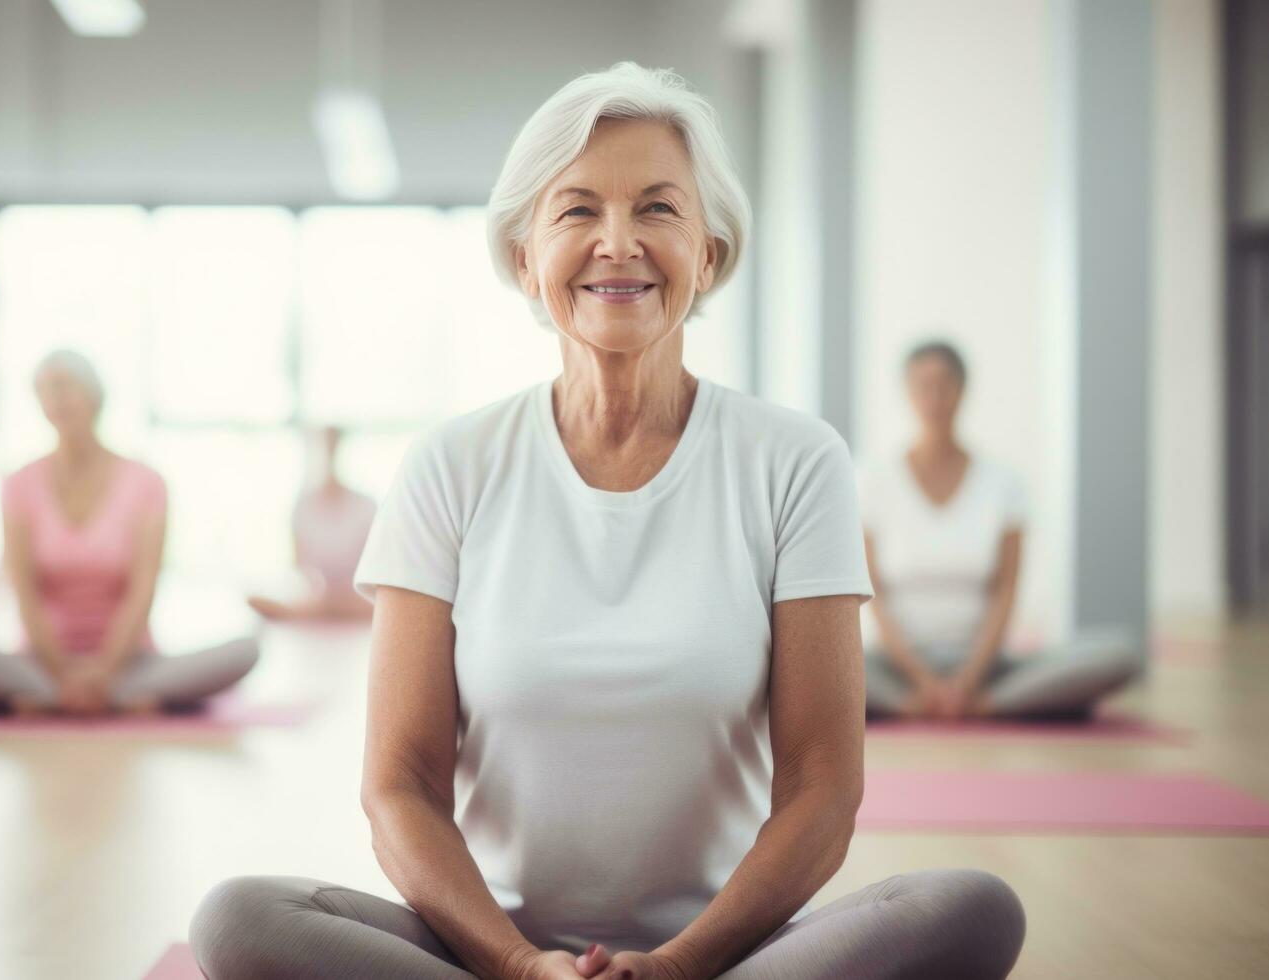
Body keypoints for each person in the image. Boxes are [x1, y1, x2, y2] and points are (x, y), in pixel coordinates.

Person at [191, 64, 1025, 980]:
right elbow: (400, 786)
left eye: (658, 210)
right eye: (577, 210)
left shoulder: (795, 461)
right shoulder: (449, 464)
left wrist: (676, 966)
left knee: (966, 907)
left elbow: (822, 789)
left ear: (707, 253)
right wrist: (515, 963)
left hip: (725, 954)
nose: (617, 243)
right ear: (524, 258)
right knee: (240, 919)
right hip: (483, 947)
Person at [0, 350, 258, 716]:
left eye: (64, 387)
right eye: (44, 391)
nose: (55, 400)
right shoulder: (20, 484)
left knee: (245, 650)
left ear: (95, 395)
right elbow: (24, 591)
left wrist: (104, 671)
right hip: (40, 663)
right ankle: (92, 696)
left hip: (130, 662)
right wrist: (62, 671)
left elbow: (143, 589)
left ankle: (64, 696)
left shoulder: (146, 483)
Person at [861, 341, 1139, 720]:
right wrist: (922, 680)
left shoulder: (1003, 484)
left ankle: (983, 704)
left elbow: (1006, 589)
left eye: (945, 385)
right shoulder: (874, 483)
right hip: (895, 666)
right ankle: (912, 703)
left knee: (1121, 654)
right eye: (923, 386)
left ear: (962, 391)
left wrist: (969, 680)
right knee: (806, 660)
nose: (935, 398)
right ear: (907, 394)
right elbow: (873, 594)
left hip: (986, 666)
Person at [247, 426, 376, 623]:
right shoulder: (302, 506)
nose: (327, 455)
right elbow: (299, 566)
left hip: (357, 599)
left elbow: (372, 570)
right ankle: (324, 609)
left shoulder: (365, 505)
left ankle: (325, 609)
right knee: (257, 599)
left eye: (331, 447)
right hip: (317, 597)